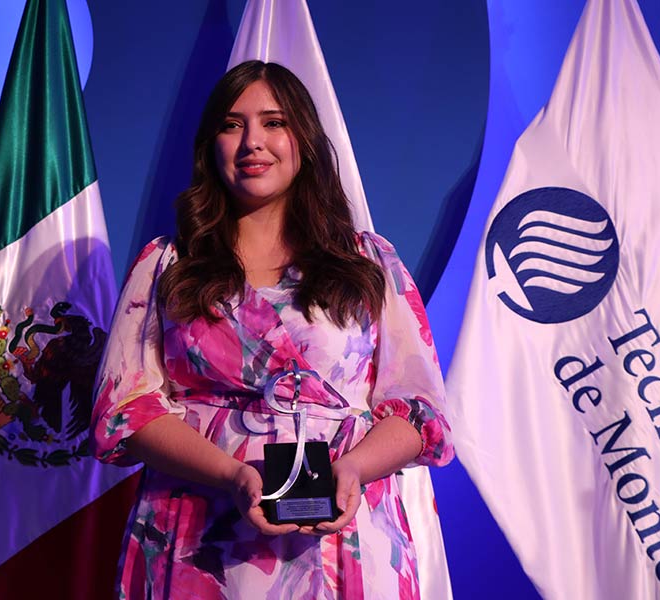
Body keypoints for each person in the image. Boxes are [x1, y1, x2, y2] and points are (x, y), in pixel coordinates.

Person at [90, 60, 454, 599]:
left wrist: (352, 469)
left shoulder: (369, 262)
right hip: (198, 533)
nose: (252, 142)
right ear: (210, 145)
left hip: (347, 536)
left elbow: (419, 410)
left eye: (273, 123)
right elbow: (126, 408)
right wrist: (231, 475)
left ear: (303, 139)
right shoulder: (168, 265)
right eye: (232, 125)